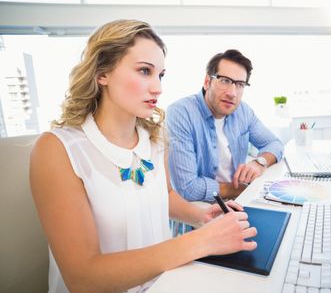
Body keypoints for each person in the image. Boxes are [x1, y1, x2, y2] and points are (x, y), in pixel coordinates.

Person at [29, 20, 257, 293]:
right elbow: (82, 277)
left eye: (160, 75)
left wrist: (201, 217)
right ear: (103, 73)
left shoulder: (154, 139)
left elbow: (165, 195)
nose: (157, 88)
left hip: (163, 284)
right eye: (144, 71)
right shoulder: (57, 149)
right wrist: (202, 242)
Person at [166, 49, 284, 202]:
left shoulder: (243, 111)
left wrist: (259, 162)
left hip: (237, 202)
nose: (232, 93)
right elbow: (188, 188)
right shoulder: (181, 113)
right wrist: (240, 189)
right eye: (225, 81)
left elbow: (275, 143)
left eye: (240, 84)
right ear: (207, 82)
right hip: (200, 211)